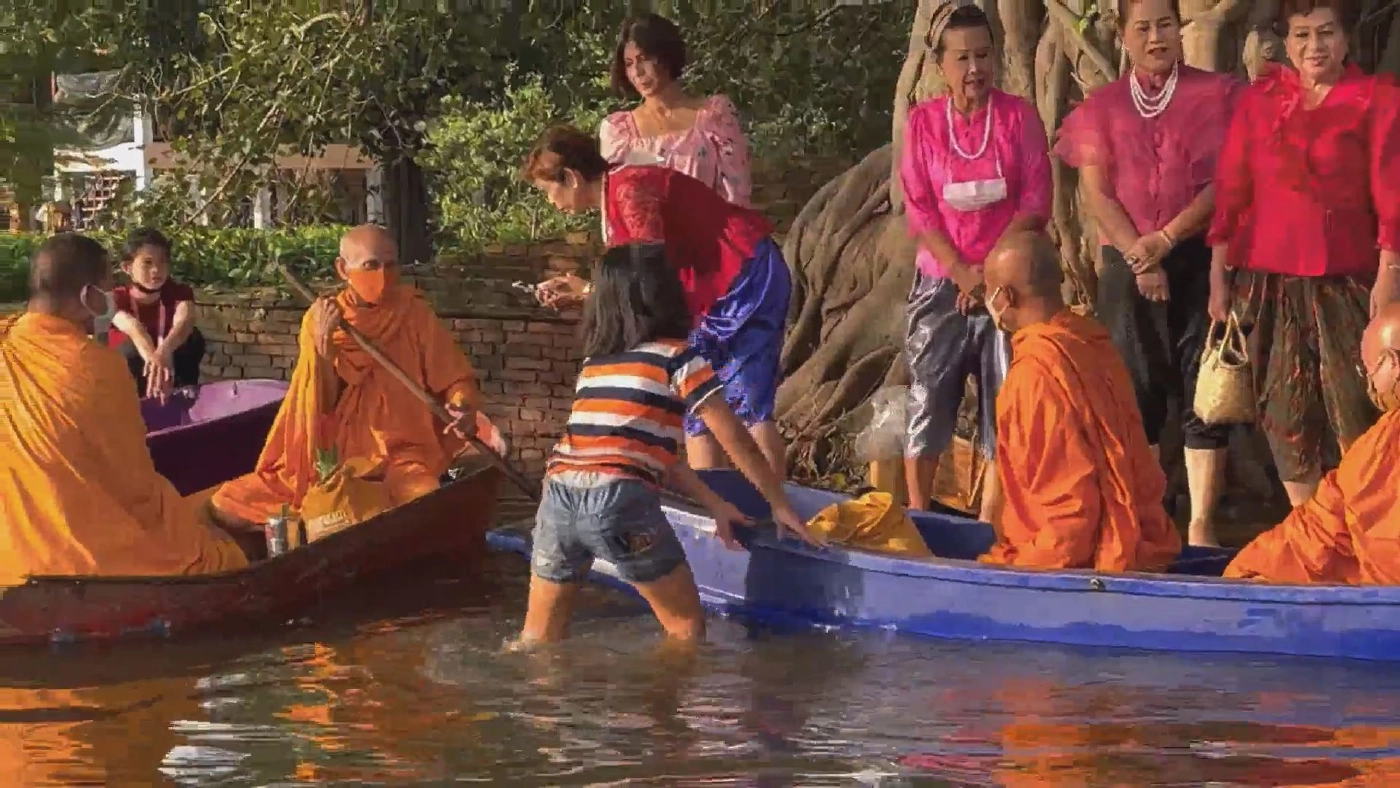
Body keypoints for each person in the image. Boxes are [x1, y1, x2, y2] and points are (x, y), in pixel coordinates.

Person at [517, 243, 817, 646]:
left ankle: (532, 708)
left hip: (556, 498)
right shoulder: (677, 358)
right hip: (617, 503)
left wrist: (715, 505)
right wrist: (779, 503)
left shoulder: (596, 365)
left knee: (538, 640)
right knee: (686, 631)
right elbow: (733, 435)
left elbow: (661, 460)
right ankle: (656, 708)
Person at [1054, 0, 1243, 547]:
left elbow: (1226, 184)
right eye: (1143, 27)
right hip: (1127, 262)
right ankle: (1144, 518)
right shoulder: (1102, 108)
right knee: (1135, 385)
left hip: (1198, 256)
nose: (1156, 37)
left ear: (1179, 29)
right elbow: (1097, 193)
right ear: (1122, 34)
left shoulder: (1218, 95)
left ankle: (1203, 522)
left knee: (1203, 384)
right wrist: (1142, 253)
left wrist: (1166, 240)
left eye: (1165, 25)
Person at [1207, 0, 1400, 509]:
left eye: (1325, 33)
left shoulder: (1376, 99)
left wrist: (1389, 275)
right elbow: (1232, 190)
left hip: (1349, 280)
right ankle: (1311, 528)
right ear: (1285, 43)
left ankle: (1365, 529)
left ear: (1346, 38)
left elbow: (1391, 194)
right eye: (1301, 36)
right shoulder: (1260, 99)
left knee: (1357, 407)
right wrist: (1218, 276)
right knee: (1286, 413)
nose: (1314, 47)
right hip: (1269, 282)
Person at [524, 126, 790, 476]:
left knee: (746, 400)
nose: (551, 203)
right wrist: (586, 290)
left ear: (571, 177)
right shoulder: (618, 194)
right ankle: (719, 514)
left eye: (548, 191)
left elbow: (647, 277)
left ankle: (774, 511)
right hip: (711, 291)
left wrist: (588, 293)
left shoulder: (629, 193)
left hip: (741, 278)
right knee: (697, 405)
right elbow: (639, 281)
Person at [0, 234, 248, 584]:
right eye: (106, 289)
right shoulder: (95, 368)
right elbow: (135, 485)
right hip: (79, 558)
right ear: (89, 296)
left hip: (8, 554)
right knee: (214, 556)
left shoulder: (7, 343)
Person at [210, 225, 484, 537]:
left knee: (421, 497)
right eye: (371, 265)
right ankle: (323, 521)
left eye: (391, 264)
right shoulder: (321, 319)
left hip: (402, 454)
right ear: (343, 269)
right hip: (335, 458)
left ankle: (332, 521)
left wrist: (462, 408)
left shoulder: (415, 314)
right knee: (226, 501)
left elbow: (454, 380)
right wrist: (324, 349)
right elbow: (321, 405)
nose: (383, 274)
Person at [898, 4, 1052, 521]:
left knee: (1005, 399)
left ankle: (990, 520)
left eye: (983, 55)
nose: (974, 69)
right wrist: (962, 272)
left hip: (1006, 288)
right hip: (942, 280)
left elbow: (1036, 201)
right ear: (940, 64)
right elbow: (919, 207)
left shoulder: (1018, 118)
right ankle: (919, 512)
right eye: (962, 58)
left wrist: (989, 270)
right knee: (929, 393)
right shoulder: (922, 125)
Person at [978, 230, 1181, 572]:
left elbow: (1070, 518)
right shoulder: (1095, 344)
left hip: (1082, 561)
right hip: (1147, 544)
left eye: (988, 291)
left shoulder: (1033, 376)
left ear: (1005, 297)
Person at [1222, 303, 1400, 584]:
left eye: (1370, 369)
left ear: (1394, 363)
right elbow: (1319, 528)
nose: (1372, 386)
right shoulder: (1380, 443)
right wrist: (1259, 569)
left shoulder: (1379, 451)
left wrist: (1246, 578)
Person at [599, 12, 752, 206]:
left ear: (665, 55)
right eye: (629, 64)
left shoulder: (715, 117)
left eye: (644, 58)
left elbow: (737, 197)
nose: (637, 72)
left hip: (710, 233)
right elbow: (614, 205)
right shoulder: (618, 132)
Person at [107, 227, 206, 400]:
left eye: (162, 262)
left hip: (169, 367)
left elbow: (185, 321)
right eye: (147, 262)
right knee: (125, 345)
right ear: (127, 267)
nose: (156, 269)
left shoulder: (179, 292)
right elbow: (134, 329)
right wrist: (155, 361)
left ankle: (185, 397)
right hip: (130, 385)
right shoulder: (116, 297)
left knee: (192, 337)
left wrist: (163, 352)